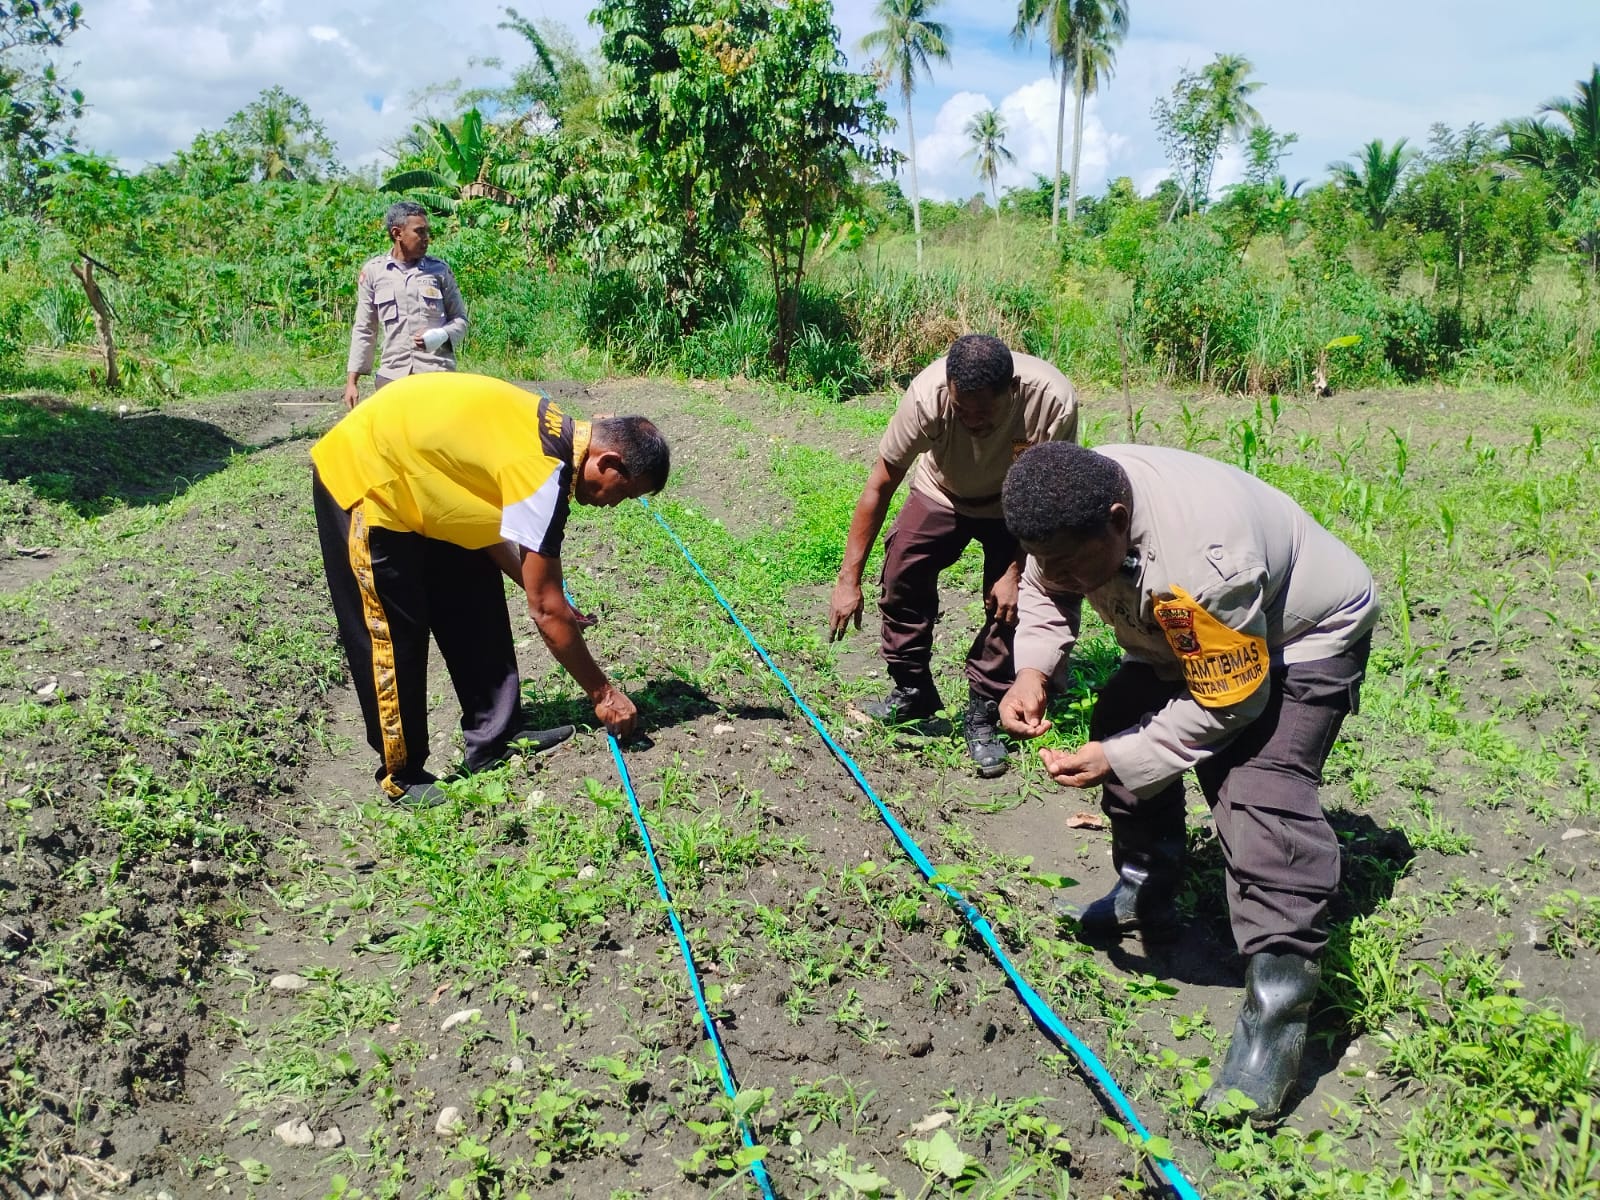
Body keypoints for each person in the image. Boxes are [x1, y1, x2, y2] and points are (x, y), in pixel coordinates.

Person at [997, 441, 1378, 1119]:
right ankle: (1145, 887)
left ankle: (1277, 1016)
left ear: (1118, 521)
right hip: (1192, 636)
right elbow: (1043, 585)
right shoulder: (1062, 508)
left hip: (1301, 635)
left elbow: (1230, 703)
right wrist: (1032, 670)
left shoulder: (1206, 563)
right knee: (1120, 713)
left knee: (1259, 793)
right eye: (1046, 557)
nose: (1064, 577)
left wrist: (1121, 759)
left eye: (1075, 565)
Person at [310, 372, 670, 808]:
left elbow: (498, 544)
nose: (615, 505)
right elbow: (545, 610)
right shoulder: (545, 470)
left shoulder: (557, 437)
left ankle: (495, 735)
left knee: (473, 593)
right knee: (394, 630)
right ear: (608, 462)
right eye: (626, 494)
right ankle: (400, 773)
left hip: (425, 480)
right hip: (371, 476)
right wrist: (604, 695)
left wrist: (545, 594)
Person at [828, 334, 1077, 778]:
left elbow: (1054, 498)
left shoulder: (1051, 401)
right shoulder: (927, 396)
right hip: (941, 490)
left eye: (984, 413)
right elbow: (881, 484)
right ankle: (913, 690)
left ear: (1012, 391)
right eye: (963, 411)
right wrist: (849, 578)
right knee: (902, 568)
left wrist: (1017, 570)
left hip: (1018, 504)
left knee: (1010, 605)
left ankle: (986, 707)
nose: (972, 422)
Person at [344, 200, 468, 408]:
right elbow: (365, 329)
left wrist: (441, 335)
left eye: (427, 231)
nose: (426, 238)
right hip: (393, 376)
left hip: (436, 373)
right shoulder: (374, 272)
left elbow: (461, 321)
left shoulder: (439, 271)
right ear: (397, 233)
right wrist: (352, 382)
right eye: (419, 232)